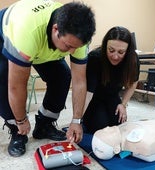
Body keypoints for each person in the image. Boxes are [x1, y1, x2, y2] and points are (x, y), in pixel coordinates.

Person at [0, 0, 95, 157]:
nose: (72, 52)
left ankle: (44, 125)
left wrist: (77, 120)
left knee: (62, 76)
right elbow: (16, 86)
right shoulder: (26, 32)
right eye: (68, 46)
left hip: (43, 40)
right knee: (3, 82)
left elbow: (79, 81)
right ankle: (17, 131)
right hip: (6, 35)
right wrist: (21, 120)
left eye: (76, 47)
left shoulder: (78, 38)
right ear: (55, 29)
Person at [82, 26, 139, 134]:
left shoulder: (133, 60)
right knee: (101, 128)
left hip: (112, 95)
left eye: (121, 52)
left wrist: (123, 104)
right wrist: (77, 120)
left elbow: (133, 83)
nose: (115, 56)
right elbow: (88, 93)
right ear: (105, 46)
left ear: (128, 51)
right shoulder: (95, 58)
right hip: (94, 97)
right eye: (111, 50)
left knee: (118, 125)